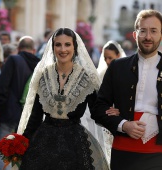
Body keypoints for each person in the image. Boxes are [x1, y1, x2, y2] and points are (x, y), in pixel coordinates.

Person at [17, 28, 109, 170]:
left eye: (67, 44)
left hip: (74, 144)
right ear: (52, 47)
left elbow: (97, 112)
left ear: (75, 47)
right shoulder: (44, 74)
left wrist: (117, 119)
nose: (62, 49)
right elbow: (35, 116)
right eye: (58, 45)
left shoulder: (86, 77)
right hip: (43, 142)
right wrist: (21, 143)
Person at [93, 9, 162, 170]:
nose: (148, 37)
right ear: (135, 34)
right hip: (123, 152)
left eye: (153, 31)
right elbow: (98, 108)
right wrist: (124, 125)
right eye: (143, 31)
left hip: (158, 155)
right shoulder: (118, 67)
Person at [0, 36, 40, 170]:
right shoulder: (39, 64)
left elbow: (3, 87)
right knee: (21, 149)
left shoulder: (14, 60)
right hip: (29, 116)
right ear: (34, 50)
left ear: (18, 48)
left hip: (9, 112)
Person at [81, 40, 126, 166]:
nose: (107, 61)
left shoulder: (125, 72)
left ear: (118, 56)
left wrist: (120, 108)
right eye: (105, 57)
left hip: (120, 119)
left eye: (110, 58)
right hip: (104, 119)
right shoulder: (100, 74)